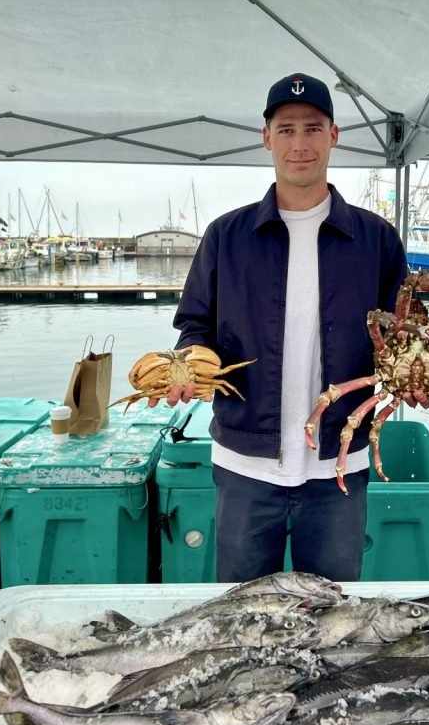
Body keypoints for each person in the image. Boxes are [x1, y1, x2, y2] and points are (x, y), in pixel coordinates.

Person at [162, 72, 408, 583]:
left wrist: (416, 376)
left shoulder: (376, 239)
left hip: (339, 463)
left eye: (313, 128)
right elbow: (194, 325)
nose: (301, 144)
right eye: (288, 129)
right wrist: (189, 365)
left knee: (334, 614)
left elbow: (405, 338)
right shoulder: (226, 236)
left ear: (334, 136)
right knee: (243, 613)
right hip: (245, 463)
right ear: (267, 137)